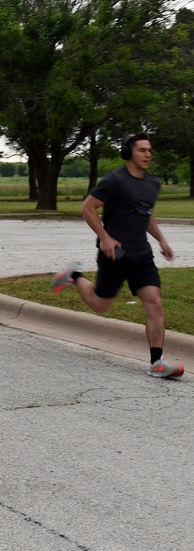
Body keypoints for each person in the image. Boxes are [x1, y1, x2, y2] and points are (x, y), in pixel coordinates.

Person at [51, 133, 183, 379]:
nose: (148, 155)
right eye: (142, 150)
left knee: (154, 302)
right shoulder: (115, 180)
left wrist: (161, 240)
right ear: (128, 153)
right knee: (101, 305)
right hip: (116, 255)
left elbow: (146, 213)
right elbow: (88, 207)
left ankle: (156, 363)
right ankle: (74, 275)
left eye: (149, 150)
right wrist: (105, 237)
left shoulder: (152, 184)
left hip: (141, 255)